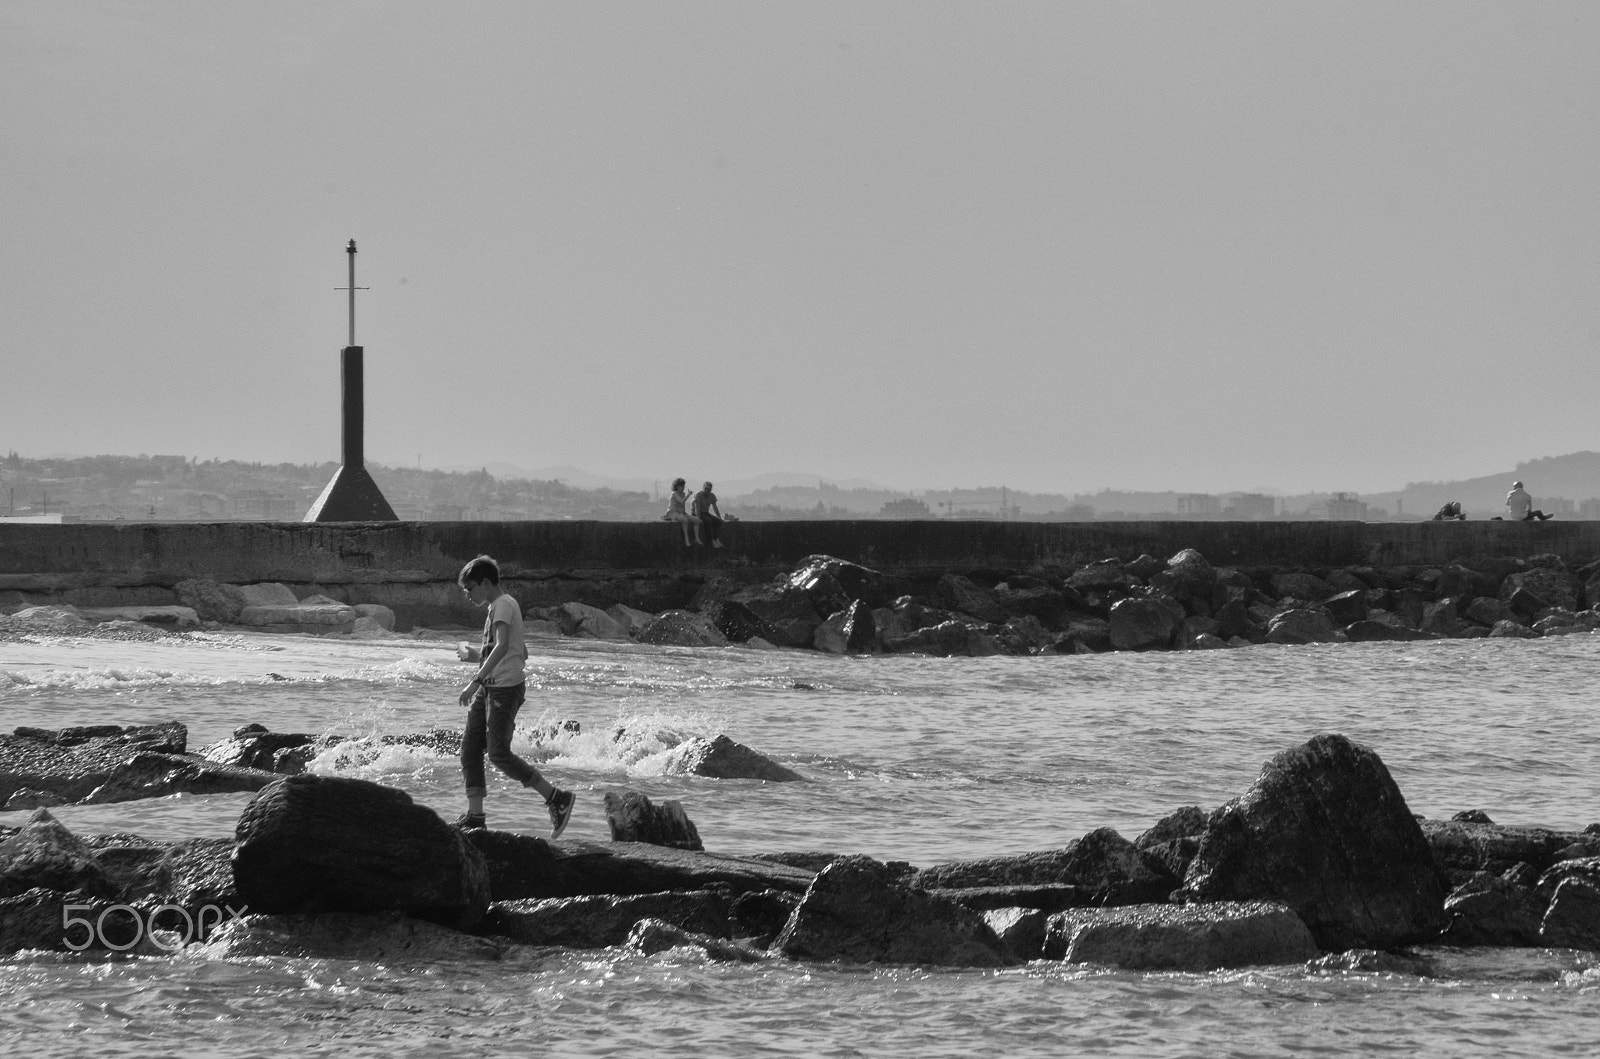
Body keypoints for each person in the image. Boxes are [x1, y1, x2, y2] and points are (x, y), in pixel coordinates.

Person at [453, 555, 574, 837]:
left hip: (504, 690)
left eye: (470, 589)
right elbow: (520, 651)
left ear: (485, 582)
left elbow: (505, 646)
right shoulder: (499, 606)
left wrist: (474, 681)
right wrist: (476, 656)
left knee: (498, 753)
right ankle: (475, 816)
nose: (468, 595)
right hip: (491, 687)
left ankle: (557, 798)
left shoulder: (504, 605)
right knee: (470, 748)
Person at [662, 478, 701, 545]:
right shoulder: (674, 493)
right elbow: (681, 501)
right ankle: (686, 539)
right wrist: (688, 495)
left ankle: (697, 538)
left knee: (697, 520)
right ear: (677, 486)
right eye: (681, 486)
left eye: (683, 486)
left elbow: (682, 505)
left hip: (681, 512)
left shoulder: (683, 494)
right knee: (684, 520)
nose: (683, 488)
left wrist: (684, 513)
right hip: (672, 512)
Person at [692, 481, 724, 549]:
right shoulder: (699, 494)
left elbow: (715, 507)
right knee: (708, 521)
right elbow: (697, 507)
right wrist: (698, 518)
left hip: (706, 513)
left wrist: (719, 517)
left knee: (718, 521)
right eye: (706, 488)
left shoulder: (712, 495)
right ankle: (712, 540)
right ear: (703, 488)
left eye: (709, 489)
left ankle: (717, 539)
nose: (707, 490)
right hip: (698, 513)